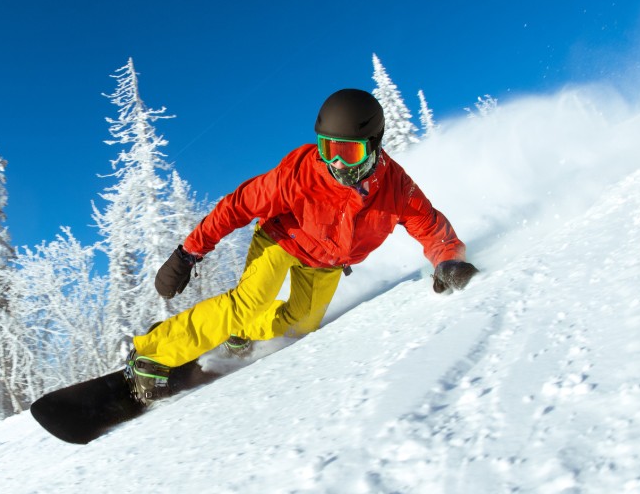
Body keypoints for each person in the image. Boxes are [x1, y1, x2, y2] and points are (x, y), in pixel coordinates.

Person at [124, 88, 479, 404]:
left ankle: (240, 334)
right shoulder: (300, 173)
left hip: (326, 263)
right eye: (329, 149)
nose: (337, 163)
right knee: (249, 302)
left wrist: (448, 260)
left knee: (301, 324)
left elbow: (429, 224)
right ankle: (153, 354)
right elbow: (237, 206)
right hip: (282, 241)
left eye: (349, 153)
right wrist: (188, 253)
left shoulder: (396, 187)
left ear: (374, 145)